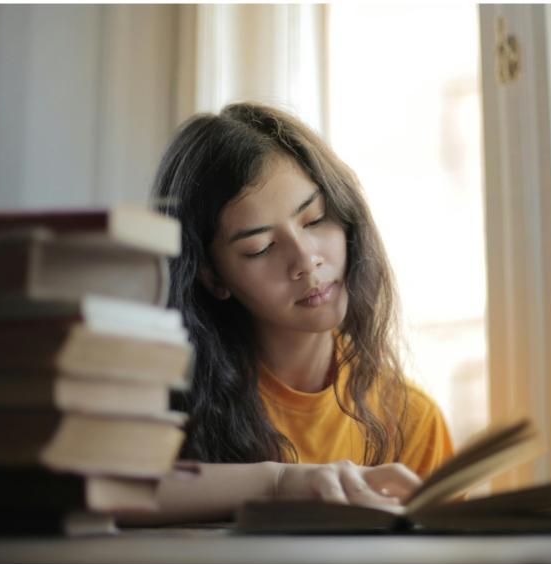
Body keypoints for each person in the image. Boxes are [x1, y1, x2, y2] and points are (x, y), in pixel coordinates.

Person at [137, 102, 454, 522]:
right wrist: (277, 482)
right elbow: (82, 494)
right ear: (213, 278)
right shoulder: (158, 402)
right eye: (261, 247)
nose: (306, 259)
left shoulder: (411, 420)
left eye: (315, 219)